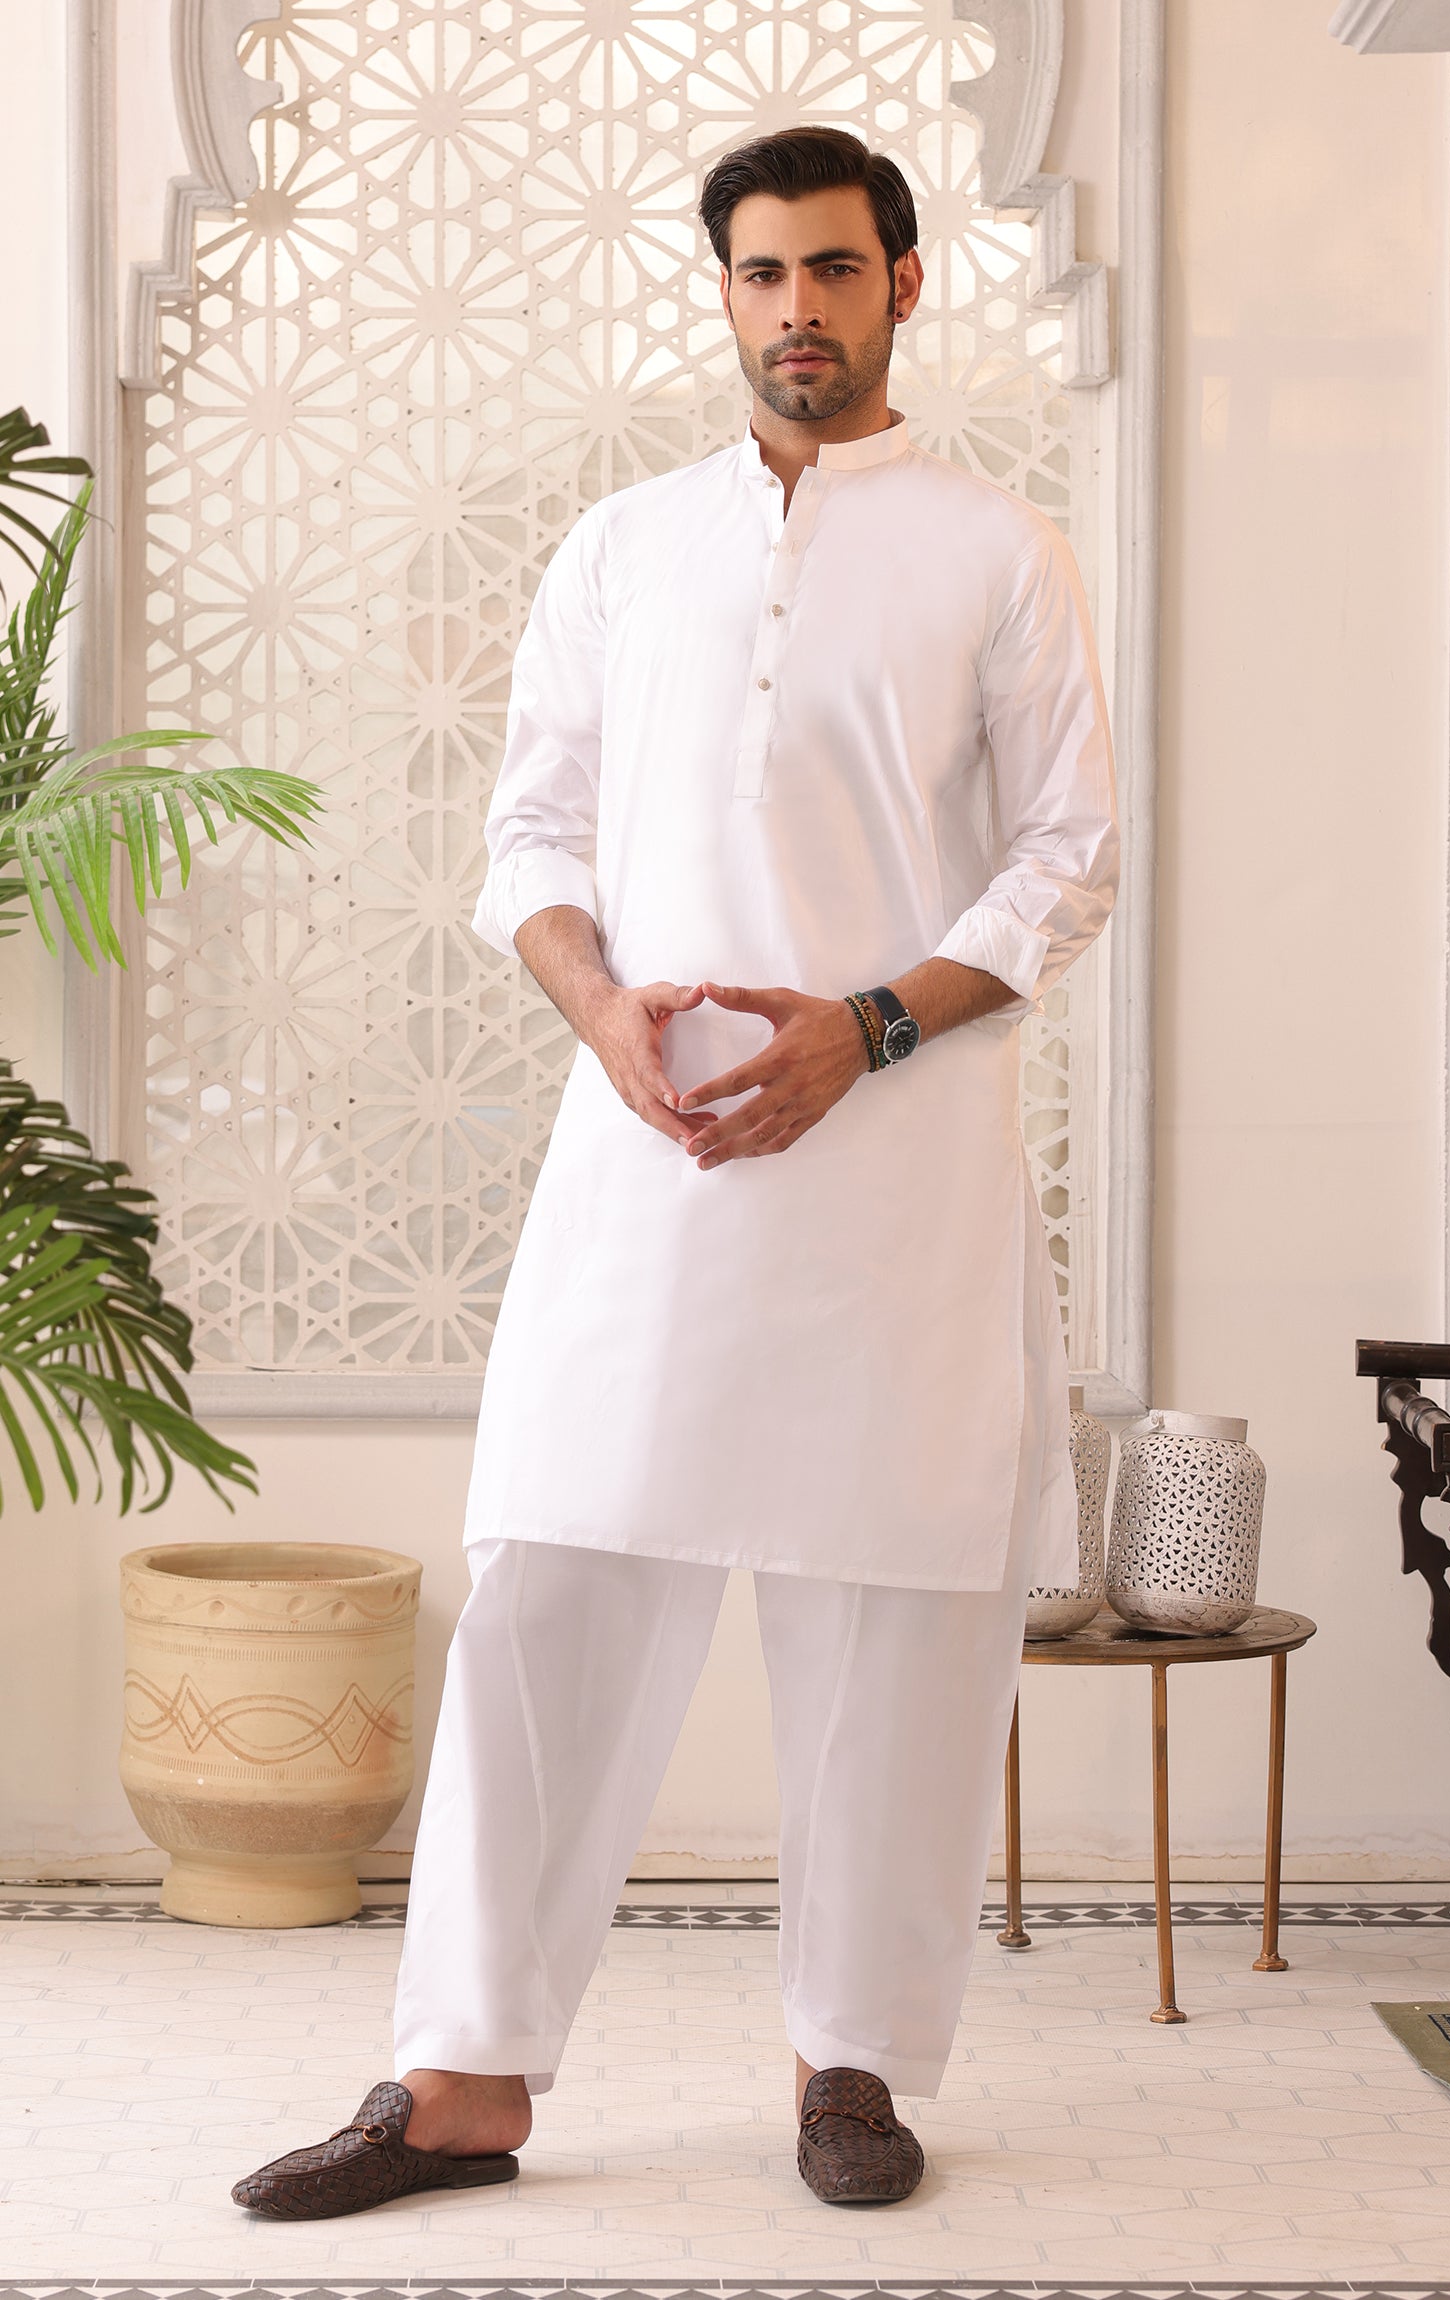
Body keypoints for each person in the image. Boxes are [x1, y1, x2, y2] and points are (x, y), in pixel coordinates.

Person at [232, 121, 1118, 2223]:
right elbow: (531, 836)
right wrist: (599, 1009)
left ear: (904, 281)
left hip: (896, 1171)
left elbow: (1066, 859)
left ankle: (851, 2063)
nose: (797, 309)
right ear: (721, 291)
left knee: (889, 1619)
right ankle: (460, 2078)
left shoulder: (996, 549)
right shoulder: (622, 548)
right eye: (761, 273)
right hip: (647, 1160)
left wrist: (861, 1028)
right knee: (550, 1584)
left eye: (835, 268)